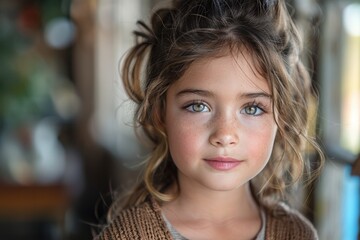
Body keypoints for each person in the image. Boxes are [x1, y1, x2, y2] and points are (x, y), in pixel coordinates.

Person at [95, 0, 324, 239]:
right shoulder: (128, 236)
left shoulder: (296, 234)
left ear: (282, 117)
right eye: (198, 106)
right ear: (160, 112)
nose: (224, 135)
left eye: (253, 108)